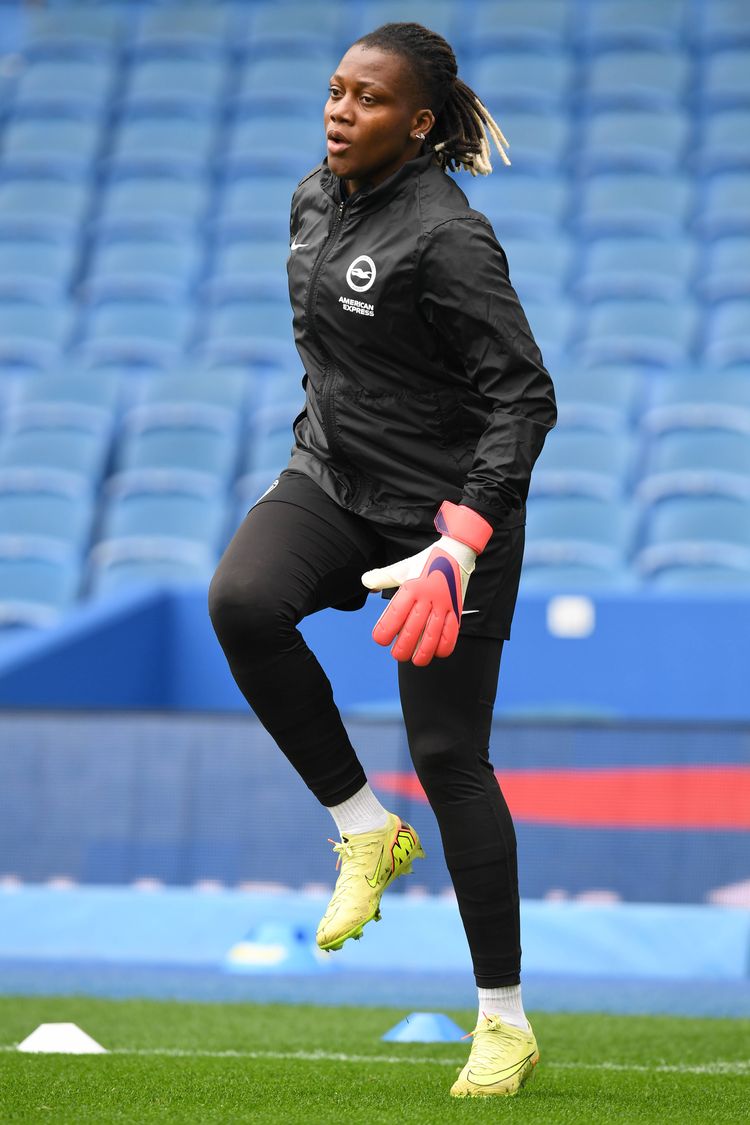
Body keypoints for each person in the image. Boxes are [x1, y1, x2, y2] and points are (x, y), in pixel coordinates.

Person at [209, 22, 556, 1099]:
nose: (338, 110)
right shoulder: (314, 196)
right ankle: (364, 830)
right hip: (334, 479)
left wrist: (463, 540)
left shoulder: (452, 238)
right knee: (241, 600)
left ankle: (502, 1020)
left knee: (450, 759)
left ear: (417, 122)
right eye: (333, 90)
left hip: (448, 525)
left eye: (366, 100)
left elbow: (525, 397)